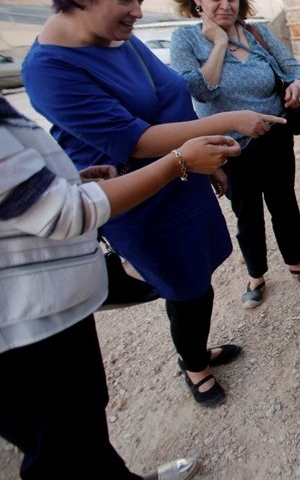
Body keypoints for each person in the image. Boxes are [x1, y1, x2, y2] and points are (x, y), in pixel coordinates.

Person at [21, 0, 284, 408]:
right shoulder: (49, 69)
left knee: (196, 276)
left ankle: (195, 347)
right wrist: (226, 122)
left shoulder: (116, 38)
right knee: (182, 284)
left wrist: (203, 163)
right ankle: (194, 366)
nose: (137, 12)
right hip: (140, 192)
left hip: (182, 173)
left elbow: (169, 99)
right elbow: (135, 140)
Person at [0, 95, 238, 479]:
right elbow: (62, 212)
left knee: (81, 434)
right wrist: (178, 161)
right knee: (61, 448)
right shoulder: (49, 70)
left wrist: (71, 183)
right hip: (21, 327)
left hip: (41, 312)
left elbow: (22, 198)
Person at [170, 0, 300, 310]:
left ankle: (294, 261)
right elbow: (199, 90)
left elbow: (299, 69)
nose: (225, 4)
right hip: (230, 147)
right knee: (246, 212)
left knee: (284, 202)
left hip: (275, 137)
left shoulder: (257, 33)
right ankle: (256, 274)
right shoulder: (185, 39)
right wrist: (219, 43)